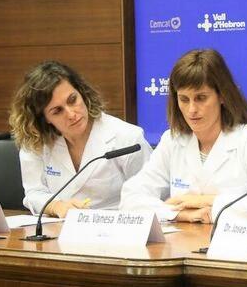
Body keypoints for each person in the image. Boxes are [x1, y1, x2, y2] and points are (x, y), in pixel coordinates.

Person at [120, 49, 247, 223]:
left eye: (201, 98)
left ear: (222, 96)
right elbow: (130, 198)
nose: (192, 110)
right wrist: (179, 214)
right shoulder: (172, 140)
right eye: (184, 99)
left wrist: (204, 201)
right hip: (182, 239)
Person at [9, 61, 150, 217]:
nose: (71, 114)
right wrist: (56, 206)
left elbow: (149, 194)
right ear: (44, 118)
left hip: (118, 224)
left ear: (82, 93)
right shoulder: (36, 141)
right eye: (57, 111)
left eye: (72, 100)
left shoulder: (127, 137)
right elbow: (34, 193)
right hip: (61, 226)